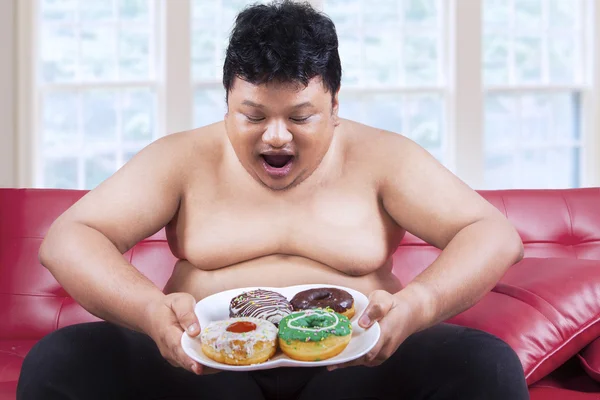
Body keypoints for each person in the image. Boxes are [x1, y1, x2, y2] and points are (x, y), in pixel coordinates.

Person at [17, 1, 529, 399]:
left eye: (300, 117)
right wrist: (151, 311)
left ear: (334, 104)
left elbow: (492, 234)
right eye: (254, 116)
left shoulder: (383, 156)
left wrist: (418, 305)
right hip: (203, 369)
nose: (277, 138)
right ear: (227, 105)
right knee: (57, 362)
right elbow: (68, 239)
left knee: (489, 365)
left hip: (353, 367)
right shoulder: (182, 157)